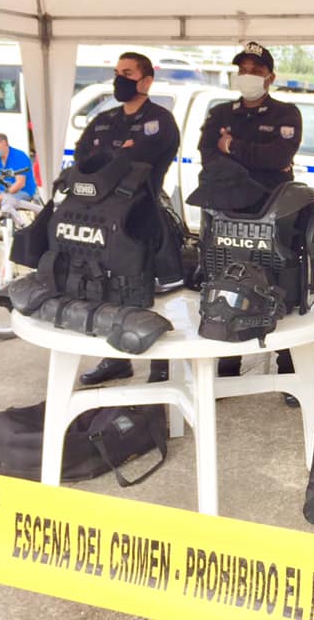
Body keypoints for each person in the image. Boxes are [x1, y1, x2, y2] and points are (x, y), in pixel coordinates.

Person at [199, 40, 302, 406]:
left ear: (270, 77)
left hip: (272, 213)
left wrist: (233, 148)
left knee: (279, 285)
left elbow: (279, 157)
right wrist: (248, 159)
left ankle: (288, 370)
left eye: (255, 71)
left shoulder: (286, 113)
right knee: (227, 282)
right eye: (242, 70)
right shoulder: (220, 113)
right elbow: (207, 156)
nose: (247, 76)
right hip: (228, 212)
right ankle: (228, 365)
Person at [74, 51, 180, 387]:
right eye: (117, 72)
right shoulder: (105, 119)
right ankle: (116, 360)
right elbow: (82, 158)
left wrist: (112, 157)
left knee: (144, 292)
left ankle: (160, 367)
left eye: (128, 73)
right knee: (108, 288)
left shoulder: (160, 121)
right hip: (101, 218)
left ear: (146, 81)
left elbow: (136, 163)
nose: (119, 79)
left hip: (141, 216)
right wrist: (120, 154)